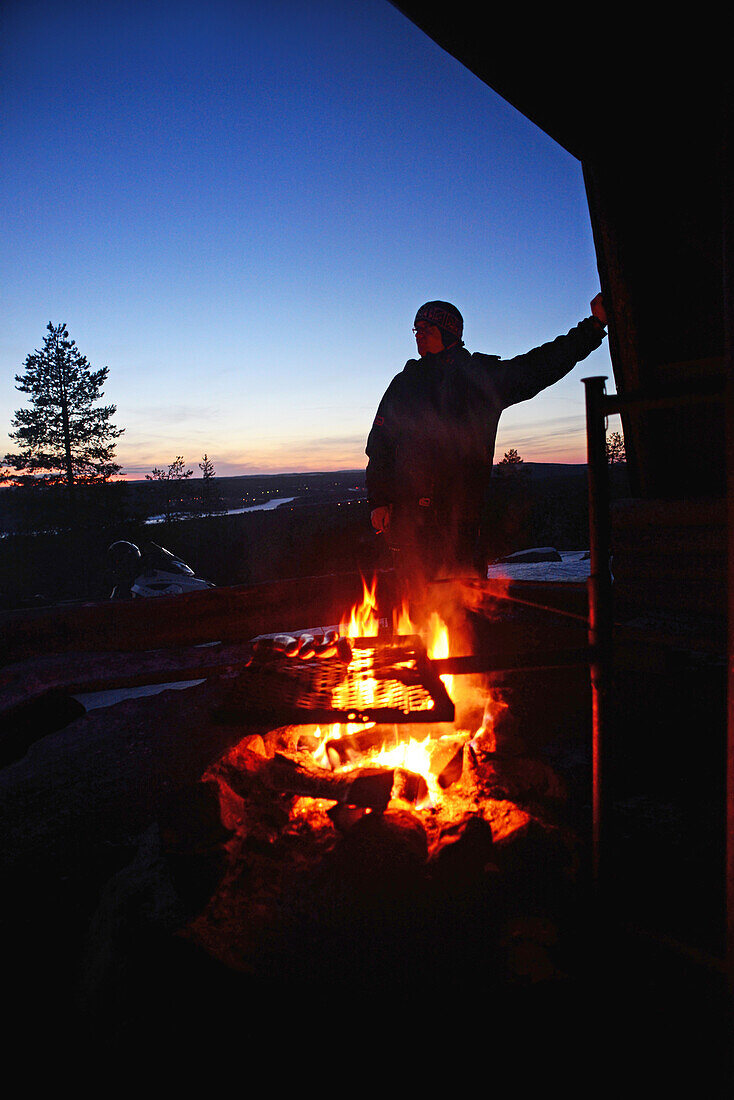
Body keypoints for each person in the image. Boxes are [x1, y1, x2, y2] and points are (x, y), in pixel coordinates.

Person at [365, 295, 608, 615]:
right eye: (416, 328)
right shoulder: (405, 383)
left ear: (449, 333)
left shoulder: (478, 377)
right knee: (413, 605)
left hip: (460, 518)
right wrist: (379, 499)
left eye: (427, 327)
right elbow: (380, 445)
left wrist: (592, 327)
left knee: (461, 606)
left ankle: (459, 659)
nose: (419, 334)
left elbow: (539, 366)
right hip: (409, 520)